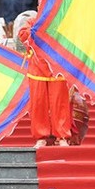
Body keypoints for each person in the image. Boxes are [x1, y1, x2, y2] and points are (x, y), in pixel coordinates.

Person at [18, 13, 72, 148]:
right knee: (38, 104)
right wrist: (35, 29)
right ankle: (41, 137)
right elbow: (22, 35)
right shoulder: (32, 21)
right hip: (37, 68)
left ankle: (62, 136)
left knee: (60, 104)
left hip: (57, 67)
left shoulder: (62, 21)